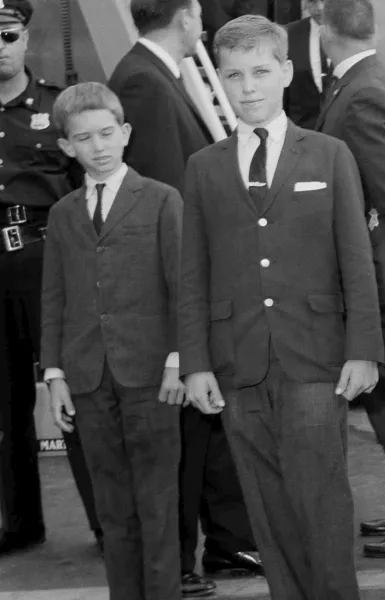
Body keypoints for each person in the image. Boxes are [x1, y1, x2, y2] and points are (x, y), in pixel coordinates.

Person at [179, 15, 382, 600]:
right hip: (238, 361)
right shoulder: (204, 167)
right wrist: (195, 361)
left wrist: (363, 349)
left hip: (315, 357)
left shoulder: (329, 154)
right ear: (220, 78)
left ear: (286, 72)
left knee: (322, 500)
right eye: (235, 75)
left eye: (261, 72)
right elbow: (193, 271)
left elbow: (355, 259)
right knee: (266, 509)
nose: (248, 87)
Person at [109, 1, 260, 592]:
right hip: (178, 292)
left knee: (205, 427)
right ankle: (181, 561)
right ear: (188, 13)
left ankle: (223, 545)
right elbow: (171, 204)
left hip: (193, 289)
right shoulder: (144, 82)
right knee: (184, 436)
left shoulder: (154, 76)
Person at [43, 82, 185, 600]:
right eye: (84, 138)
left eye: (106, 133)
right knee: (112, 506)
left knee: (158, 500)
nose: (98, 146)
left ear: (125, 133)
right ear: (66, 146)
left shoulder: (163, 200)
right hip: (87, 376)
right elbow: (54, 298)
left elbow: (182, 289)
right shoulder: (61, 216)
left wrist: (178, 360)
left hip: (152, 375)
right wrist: (54, 373)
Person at [0, 0, 101, 556]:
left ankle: (106, 522)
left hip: (47, 263)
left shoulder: (56, 107)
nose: (1, 45)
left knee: (76, 391)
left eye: (8, 34)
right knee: (6, 403)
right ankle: (19, 523)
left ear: (25, 38)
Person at [314, 0, 385, 559]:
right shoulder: (367, 80)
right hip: (379, 267)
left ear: (324, 32)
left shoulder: (365, 89)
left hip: (379, 272)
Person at [285, 0, 331, 129]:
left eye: (324, 0)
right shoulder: (288, 34)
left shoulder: (354, 33)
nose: (319, 8)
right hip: (300, 132)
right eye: (312, 1)